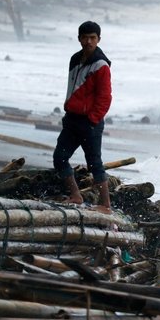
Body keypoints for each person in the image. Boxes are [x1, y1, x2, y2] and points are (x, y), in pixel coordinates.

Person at [53, 20, 112, 212]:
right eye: (85, 37)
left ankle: (105, 205)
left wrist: (93, 119)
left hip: (90, 121)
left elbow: (105, 97)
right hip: (72, 119)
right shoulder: (74, 59)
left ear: (99, 39)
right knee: (60, 157)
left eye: (92, 38)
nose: (88, 41)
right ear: (79, 39)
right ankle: (76, 195)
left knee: (94, 163)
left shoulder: (101, 65)